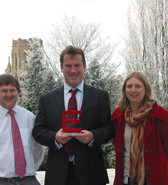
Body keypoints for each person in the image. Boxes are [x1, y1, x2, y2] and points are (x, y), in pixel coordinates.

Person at [32, 45, 114, 185]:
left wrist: (93, 136)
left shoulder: (100, 96)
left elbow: (108, 128)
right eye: (68, 66)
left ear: (84, 67)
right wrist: (55, 138)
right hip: (58, 173)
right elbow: (38, 131)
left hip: (92, 172)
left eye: (77, 65)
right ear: (61, 68)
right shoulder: (47, 99)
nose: (73, 70)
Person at [0, 74, 45, 185]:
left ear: (18, 93)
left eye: (12, 90)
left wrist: (31, 168)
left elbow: (39, 147)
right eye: (4, 91)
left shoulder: (29, 117)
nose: (9, 94)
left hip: (28, 181)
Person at [111, 71, 168, 185]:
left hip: (153, 178)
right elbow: (117, 146)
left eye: (138, 86)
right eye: (129, 86)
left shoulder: (160, 115)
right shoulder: (118, 116)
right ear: (124, 90)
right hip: (125, 178)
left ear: (146, 89)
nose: (133, 90)